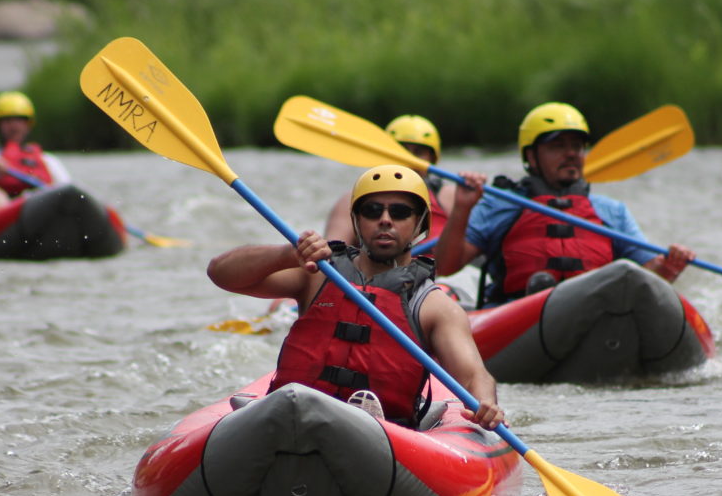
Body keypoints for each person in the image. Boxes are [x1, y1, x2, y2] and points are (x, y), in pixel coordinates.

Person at [208, 164, 505, 431]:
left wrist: (484, 403)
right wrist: (287, 253)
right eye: (373, 211)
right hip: (293, 412)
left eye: (400, 212)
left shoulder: (433, 306)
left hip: (382, 434)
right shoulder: (318, 273)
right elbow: (221, 274)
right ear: (357, 220)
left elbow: (472, 376)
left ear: (421, 225)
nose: (385, 220)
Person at [433, 102, 695, 306]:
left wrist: (670, 266)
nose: (571, 153)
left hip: (597, 309)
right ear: (531, 157)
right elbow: (446, 266)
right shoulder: (501, 204)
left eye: (577, 146)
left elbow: (652, 275)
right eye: (557, 146)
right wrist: (462, 208)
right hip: (519, 312)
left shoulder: (611, 212)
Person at [323, 114, 454, 246]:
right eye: (400, 151)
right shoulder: (351, 200)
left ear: (431, 159)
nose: (407, 160)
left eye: (417, 152)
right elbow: (332, 253)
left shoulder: (450, 198)